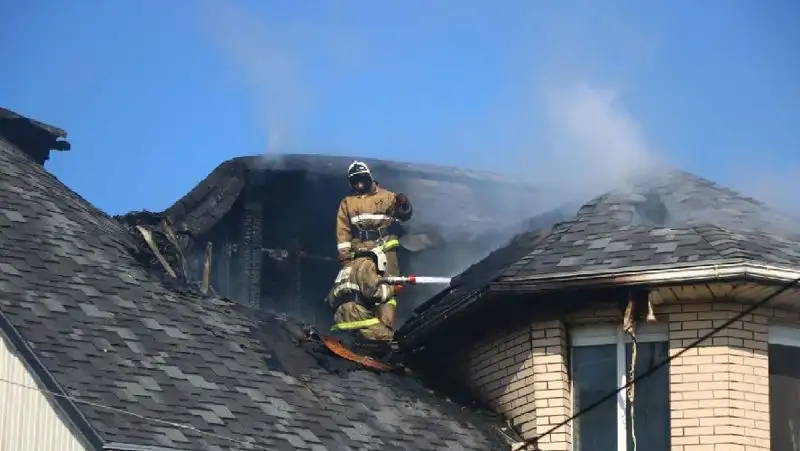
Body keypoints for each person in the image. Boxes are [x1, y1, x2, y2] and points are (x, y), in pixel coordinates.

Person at [327, 160, 413, 341]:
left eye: (362, 181)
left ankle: (384, 328)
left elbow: (404, 215)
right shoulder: (347, 203)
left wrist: (404, 204)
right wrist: (345, 260)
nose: (359, 185)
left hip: (385, 248)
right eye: (355, 182)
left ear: (369, 178)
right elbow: (342, 233)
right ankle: (366, 332)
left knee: (387, 287)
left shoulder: (387, 197)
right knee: (363, 288)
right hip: (361, 252)